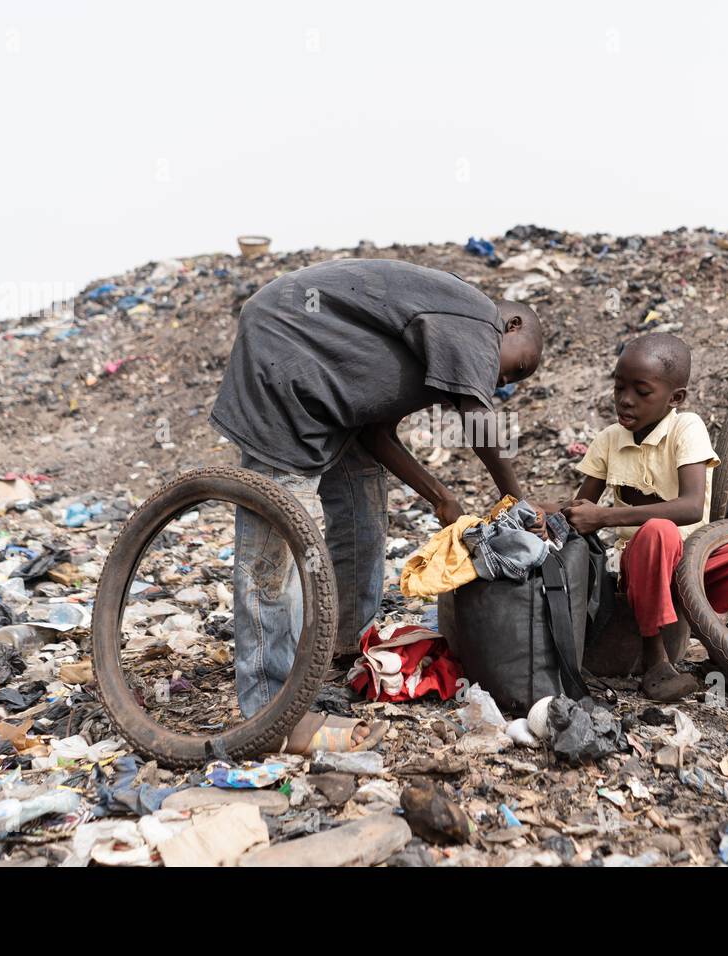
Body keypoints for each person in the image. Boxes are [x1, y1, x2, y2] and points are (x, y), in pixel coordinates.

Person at [210, 258, 543, 751]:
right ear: (511, 325)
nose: (499, 384)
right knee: (276, 547)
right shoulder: (476, 318)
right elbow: (477, 417)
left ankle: (344, 644)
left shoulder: (434, 350)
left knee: (363, 505)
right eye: (515, 367)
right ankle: (270, 715)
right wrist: (513, 493)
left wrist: (442, 498)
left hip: (330, 394)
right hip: (283, 359)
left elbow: (376, 434)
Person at [541, 333, 728, 702]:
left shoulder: (687, 428)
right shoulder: (609, 440)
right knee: (656, 534)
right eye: (619, 388)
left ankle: (726, 654)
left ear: (675, 398)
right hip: (641, 564)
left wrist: (605, 516)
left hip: (695, 562)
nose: (625, 400)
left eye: (641, 392)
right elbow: (582, 506)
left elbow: (691, 507)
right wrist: (544, 510)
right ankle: (657, 662)